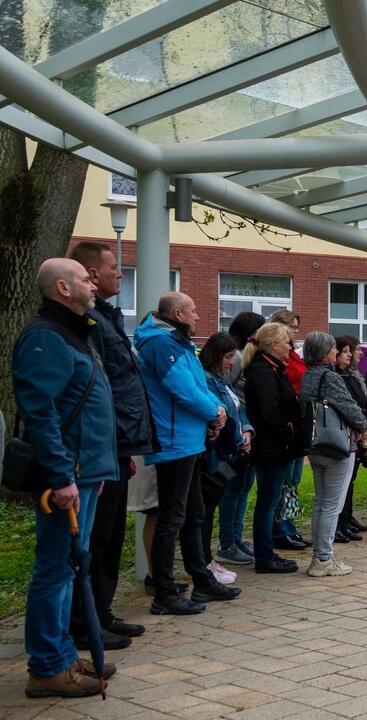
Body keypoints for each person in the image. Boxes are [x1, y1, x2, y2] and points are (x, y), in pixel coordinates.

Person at [15, 259, 117, 698]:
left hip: (85, 471)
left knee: (71, 566)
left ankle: (61, 654)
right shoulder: (45, 337)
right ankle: (46, 667)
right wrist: (61, 476)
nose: (92, 285)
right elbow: (42, 414)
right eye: (84, 279)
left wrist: (97, 467)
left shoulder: (74, 333)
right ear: (62, 287)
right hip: (67, 476)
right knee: (56, 569)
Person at [68, 243, 155, 651]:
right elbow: (100, 388)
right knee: (97, 536)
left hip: (118, 445)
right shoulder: (90, 323)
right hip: (104, 445)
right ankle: (85, 622)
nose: (120, 274)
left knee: (110, 535)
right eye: (113, 268)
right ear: (91, 274)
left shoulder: (106, 318)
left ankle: (101, 612)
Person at [135, 292, 237, 615]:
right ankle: (163, 592)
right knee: (172, 517)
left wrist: (216, 409)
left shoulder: (178, 343)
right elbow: (184, 390)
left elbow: (200, 386)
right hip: (173, 442)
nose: (197, 316)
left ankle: (201, 579)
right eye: (193, 310)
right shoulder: (161, 344)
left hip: (188, 440)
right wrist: (214, 412)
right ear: (178, 313)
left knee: (194, 513)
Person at [300, 332, 367, 576]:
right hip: (337, 445)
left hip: (316, 443)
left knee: (321, 501)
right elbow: (347, 406)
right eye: (332, 348)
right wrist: (364, 426)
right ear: (324, 352)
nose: (336, 351)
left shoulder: (308, 375)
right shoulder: (330, 376)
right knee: (332, 504)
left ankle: (319, 554)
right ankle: (323, 557)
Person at [243, 322, 303, 574]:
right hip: (270, 447)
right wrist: (288, 432)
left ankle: (266, 551)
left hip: (275, 445)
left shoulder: (272, 369)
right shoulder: (264, 373)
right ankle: (264, 555)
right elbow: (270, 412)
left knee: (270, 498)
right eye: (287, 342)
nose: (291, 347)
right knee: (268, 500)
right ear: (274, 344)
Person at [199, 332, 251, 588]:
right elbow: (219, 414)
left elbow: (237, 409)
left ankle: (207, 559)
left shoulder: (222, 380)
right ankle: (205, 561)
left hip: (230, 452)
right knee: (206, 508)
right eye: (228, 357)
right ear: (216, 356)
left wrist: (247, 430)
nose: (232, 362)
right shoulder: (207, 380)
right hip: (216, 455)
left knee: (214, 502)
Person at [216, 311, 265, 565]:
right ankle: (227, 542)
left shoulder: (246, 354)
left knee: (244, 486)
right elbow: (228, 392)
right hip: (239, 428)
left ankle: (236, 537)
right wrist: (242, 426)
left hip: (249, 428)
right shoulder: (235, 357)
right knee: (234, 487)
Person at [268, 310, 310, 551]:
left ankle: (289, 525)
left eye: (296, 326)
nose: (295, 331)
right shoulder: (278, 358)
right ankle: (280, 529)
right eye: (292, 327)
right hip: (286, 424)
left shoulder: (292, 354)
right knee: (282, 481)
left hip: (298, 423)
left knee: (293, 480)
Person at [334, 335, 367, 542]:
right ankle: (339, 522)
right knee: (340, 483)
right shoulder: (336, 378)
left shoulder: (351, 376)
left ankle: (346, 518)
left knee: (350, 480)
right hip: (346, 434)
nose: (351, 355)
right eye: (346, 351)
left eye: (352, 351)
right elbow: (348, 405)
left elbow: (363, 402)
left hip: (357, 433)